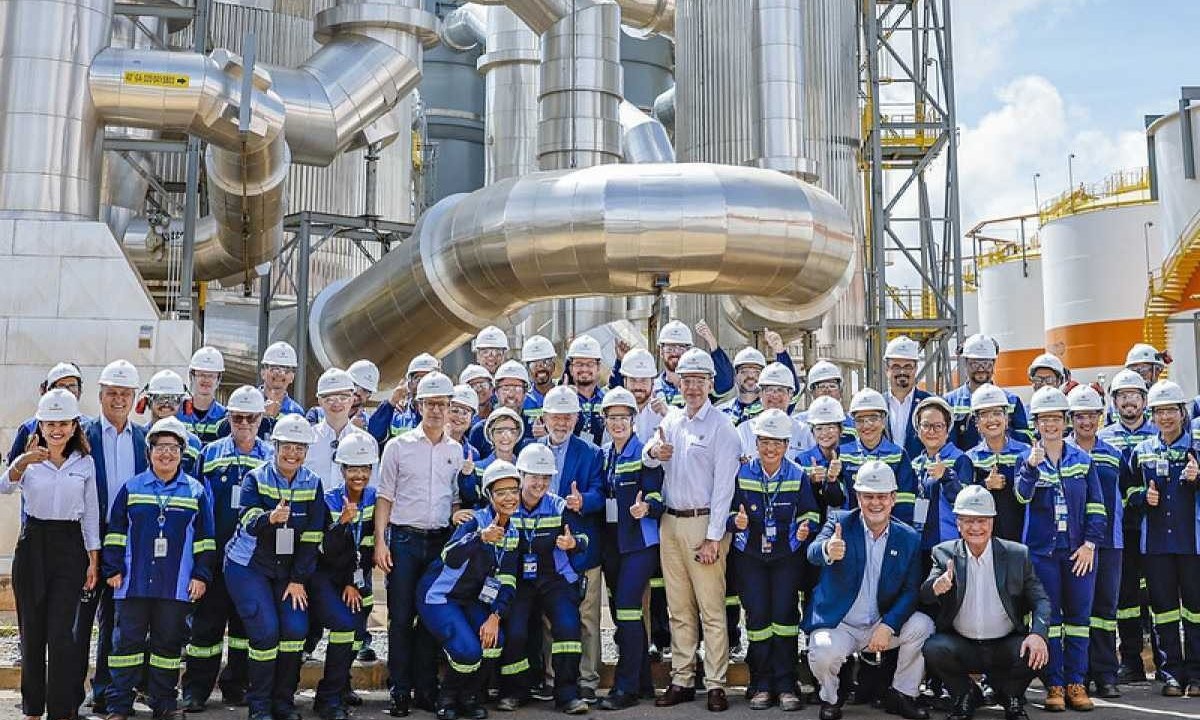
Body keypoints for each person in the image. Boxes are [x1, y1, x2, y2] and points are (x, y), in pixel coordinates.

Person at [643, 348, 740, 713]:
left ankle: (715, 683)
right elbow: (647, 456)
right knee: (678, 608)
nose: (693, 387)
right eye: (687, 380)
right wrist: (654, 451)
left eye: (700, 380)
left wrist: (715, 537)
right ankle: (682, 678)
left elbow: (723, 490)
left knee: (711, 609)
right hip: (670, 522)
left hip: (704, 523)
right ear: (678, 383)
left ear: (711, 384)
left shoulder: (722, 428)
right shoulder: (673, 421)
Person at [102, 417, 216, 720]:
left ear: (182, 452)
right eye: (160, 447)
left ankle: (163, 704)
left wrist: (201, 575)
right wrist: (111, 568)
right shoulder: (131, 488)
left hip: (176, 584)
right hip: (132, 582)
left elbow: (206, 540)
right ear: (149, 451)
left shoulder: (195, 492)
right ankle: (119, 706)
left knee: (168, 647)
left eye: (173, 448)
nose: (166, 454)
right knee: (126, 645)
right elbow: (115, 532)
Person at [805, 460, 933, 720]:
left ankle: (902, 694)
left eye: (882, 496)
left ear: (893, 498)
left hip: (880, 624)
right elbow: (812, 552)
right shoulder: (840, 521)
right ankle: (831, 697)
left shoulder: (908, 537)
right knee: (822, 651)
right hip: (842, 623)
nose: (875, 503)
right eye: (868, 496)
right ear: (857, 497)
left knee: (923, 626)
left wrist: (889, 625)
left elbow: (910, 591)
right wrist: (828, 549)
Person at [2, 389, 100, 720]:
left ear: (74, 426)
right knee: (32, 631)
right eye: (49, 423)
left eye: (63, 423)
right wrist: (21, 463)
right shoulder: (29, 459)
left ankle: (61, 709)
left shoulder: (84, 462)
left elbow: (90, 512)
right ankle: (32, 709)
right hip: (33, 544)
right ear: (40, 426)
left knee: (62, 634)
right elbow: (4, 486)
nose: (56, 430)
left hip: (70, 546)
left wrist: (93, 559)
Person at [224, 414, 326, 720]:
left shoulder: (313, 483)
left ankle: (283, 702)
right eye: (287, 447)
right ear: (275, 445)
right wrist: (270, 518)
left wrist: (298, 580)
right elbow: (247, 519)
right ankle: (259, 705)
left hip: (287, 572)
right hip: (248, 566)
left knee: (295, 630)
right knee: (266, 632)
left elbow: (311, 537)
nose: (293, 454)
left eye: (300, 448)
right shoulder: (256, 478)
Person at [920, 485, 1052, 720]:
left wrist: (1038, 633)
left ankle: (1011, 697)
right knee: (934, 648)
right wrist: (936, 587)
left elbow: (1040, 599)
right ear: (958, 523)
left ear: (992, 522)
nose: (976, 528)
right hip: (963, 644)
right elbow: (925, 595)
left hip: (1005, 644)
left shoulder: (1016, 554)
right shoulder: (943, 553)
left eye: (982, 521)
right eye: (968, 521)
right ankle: (965, 695)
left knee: (1035, 650)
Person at [375, 372, 464, 717]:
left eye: (443, 404)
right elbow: (384, 498)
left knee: (430, 618)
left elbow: (455, 501)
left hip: (439, 542)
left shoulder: (456, 451)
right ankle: (399, 689)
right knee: (400, 618)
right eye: (431, 404)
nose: (437, 411)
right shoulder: (398, 447)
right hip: (404, 541)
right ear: (419, 405)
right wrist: (381, 543)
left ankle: (426, 689)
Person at [1014, 386, 1105, 711]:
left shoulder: (1082, 460)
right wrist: (1030, 467)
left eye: (1055, 418)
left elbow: (1097, 505)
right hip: (1043, 554)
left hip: (1078, 552)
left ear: (1064, 421)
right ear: (1035, 423)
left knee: (1079, 618)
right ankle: (1054, 684)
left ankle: (1076, 683)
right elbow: (1021, 497)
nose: (1050, 424)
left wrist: (1090, 545)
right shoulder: (1028, 459)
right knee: (1048, 619)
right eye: (1044, 419)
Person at [182, 387, 272, 711]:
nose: (244, 423)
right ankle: (196, 690)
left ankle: (236, 685)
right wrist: (200, 561)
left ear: (261, 419)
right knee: (205, 626)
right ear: (228, 417)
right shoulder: (210, 454)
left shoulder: (270, 457)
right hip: (216, 555)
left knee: (243, 627)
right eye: (237, 417)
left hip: (251, 560)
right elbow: (197, 506)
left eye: (251, 417)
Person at [729, 409, 820, 712]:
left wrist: (807, 526)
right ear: (756, 443)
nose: (770, 449)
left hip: (786, 557)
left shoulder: (797, 474)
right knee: (757, 620)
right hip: (750, 556)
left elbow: (811, 512)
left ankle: (786, 683)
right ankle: (760, 683)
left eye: (777, 443)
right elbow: (728, 511)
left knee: (784, 619)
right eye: (765, 442)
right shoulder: (741, 474)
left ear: (786, 444)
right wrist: (735, 522)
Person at [418, 461, 522, 720]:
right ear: (489, 495)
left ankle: (469, 697)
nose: (509, 497)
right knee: (467, 651)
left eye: (513, 490)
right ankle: (447, 698)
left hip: (470, 599)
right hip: (438, 597)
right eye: (501, 492)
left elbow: (507, 580)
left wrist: (496, 616)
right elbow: (449, 556)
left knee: (494, 641)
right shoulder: (475, 521)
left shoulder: (515, 531)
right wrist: (480, 538)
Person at [496, 445, 589, 715]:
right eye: (535, 476)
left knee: (568, 628)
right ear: (521, 475)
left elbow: (584, 539)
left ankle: (567, 695)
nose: (540, 483)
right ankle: (515, 691)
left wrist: (572, 543)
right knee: (515, 632)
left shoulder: (560, 506)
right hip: (519, 581)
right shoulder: (507, 506)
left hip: (553, 579)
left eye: (546, 477)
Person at [80, 359, 146, 714]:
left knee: (116, 621)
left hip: (129, 543)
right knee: (80, 620)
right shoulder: (84, 436)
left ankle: (104, 689)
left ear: (134, 397)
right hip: (90, 539)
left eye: (124, 393)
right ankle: (69, 690)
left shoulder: (142, 439)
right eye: (112, 393)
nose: (118, 400)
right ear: (100, 395)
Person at [1129, 380, 1200, 698]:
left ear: (1182, 413)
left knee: (1196, 611)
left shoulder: (1195, 451)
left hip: (1191, 544)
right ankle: (1172, 674)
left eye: (1171, 410)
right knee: (1164, 611)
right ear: (1152, 414)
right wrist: (1144, 496)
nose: (1165, 417)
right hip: (1156, 545)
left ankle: (1197, 675)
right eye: (1159, 411)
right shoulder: (1141, 452)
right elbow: (1126, 493)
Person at [595, 388, 664, 711]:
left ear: (634, 420)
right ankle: (644, 682)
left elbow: (658, 497)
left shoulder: (644, 453)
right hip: (613, 544)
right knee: (627, 613)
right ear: (605, 421)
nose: (618, 423)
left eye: (624, 417)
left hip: (638, 544)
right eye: (613, 417)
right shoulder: (605, 453)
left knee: (625, 610)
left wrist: (646, 509)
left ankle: (625, 688)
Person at [538, 385, 605, 702]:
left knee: (588, 619)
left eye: (568, 416)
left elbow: (600, 494)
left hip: (582, 549)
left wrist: (583, 501)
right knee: (550, 619)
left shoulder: (590, 453)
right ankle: (553, 677)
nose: (562, 422)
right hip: (546, 552)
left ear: (577, 418)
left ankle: (588, 678)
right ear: (544, 417)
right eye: (556, 416)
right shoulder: (533, 451)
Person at [309, 433, 379, 720]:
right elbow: (325, 550)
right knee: (344, 625)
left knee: (358, 628)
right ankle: (327, 698)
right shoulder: (328, 500)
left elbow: (367, 543)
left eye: (365, 469)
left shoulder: (374, 499)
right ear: (342, 470)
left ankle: (341, 686)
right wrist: (341, 524)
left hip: (355, 576)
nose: (359, 475)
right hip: (325, 576)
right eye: (352, 468)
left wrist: (353, 581)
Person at [1097, 369, 1159, 683]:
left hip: (1157, 527)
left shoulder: (1157, 433)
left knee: (1160, 597)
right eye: (1122, 395)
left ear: (1145, 400)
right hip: (1120, 531)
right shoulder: (1104, 438)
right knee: (1126, 599)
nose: (1128, 401)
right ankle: (1131, 661)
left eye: (1134, 395)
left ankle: (1164, 663)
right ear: (1114, 402)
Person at [1064, 385, 1126, 699]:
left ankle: (1104, 674)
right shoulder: (1060, 451)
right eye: (1080, 416)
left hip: (1109, 543)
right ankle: (1077, 674)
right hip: (1074, 544)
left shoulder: (1113, 455)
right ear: (1070, 418)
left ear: (1101, 416)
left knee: (1104, 610)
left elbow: (1126, 496)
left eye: (1092, 415)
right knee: (1076, 610)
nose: (1086, 421)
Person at [609, 321, 736, 406]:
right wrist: (622, 362)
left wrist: (713, 344)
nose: (675, 353)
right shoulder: (652, 386)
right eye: (669, 348)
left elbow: (725, 383)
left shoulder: (698, 387)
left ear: (689, 351)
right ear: (660, 352)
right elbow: (617, 393)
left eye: (680, 348)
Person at [964, 384, 1031, 543]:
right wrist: (984, 485)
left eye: (997, 413)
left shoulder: (1025, 453)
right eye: (985, 414)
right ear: (977, 423)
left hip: (1021, 538)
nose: (992, 420)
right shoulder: (970, 458)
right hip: (982, 541)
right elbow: (963, 499)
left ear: (1006, 419)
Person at [839, 388, 917, 524]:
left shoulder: (898, 455)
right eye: (860, 420)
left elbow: (905, 501)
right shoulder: (842, 454)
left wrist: (896, 531)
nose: (866, 425)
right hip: (852, 529)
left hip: (889, 529)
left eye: (873, 418)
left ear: (883, 420)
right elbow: (837, 499)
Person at [909, 397, 971, 569]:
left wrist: (946, 476)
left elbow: (963, 502)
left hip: (949, 543)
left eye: (938, 426)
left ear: (947, 429)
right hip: (919, 543)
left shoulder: (960, 459)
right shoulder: (915, 463)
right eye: (926, 425)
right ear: (918, 429)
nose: (932, 431)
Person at [944, 334, 1032, 450]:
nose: (981, 369)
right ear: (965, 363)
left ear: (993, 364)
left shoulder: (1011, 401)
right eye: (975, 364)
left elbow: (1024, 439)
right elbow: (946, 443)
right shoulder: (950, 402)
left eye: (986, 364)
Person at [304, 368, 376, 488]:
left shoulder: (368, 442)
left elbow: (373, 487)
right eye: (329, 398)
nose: (337, 404)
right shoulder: (306, 440)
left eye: (343, 397)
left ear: (352, 399)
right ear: (319, 401)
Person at [8, 361, 88, 463]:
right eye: (61, 386)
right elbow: (12, 471)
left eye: (72, 386)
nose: (67, 391)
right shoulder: (29, 428)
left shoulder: (89, 426)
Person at [736, 362, 813, 463]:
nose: (775, 395)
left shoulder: (803, 432)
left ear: (791, 394)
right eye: (769, 389)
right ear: (760, 394)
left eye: (781, 390)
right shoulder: (744, 431)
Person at [716, 332, 796, 427]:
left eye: (756, 372)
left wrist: (780, 352)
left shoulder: (773, 408)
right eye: (744, 371)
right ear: (736, 376)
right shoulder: (720, 413)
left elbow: (789, 385)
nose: (751, 376)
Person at [368, 353, 440, 446]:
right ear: (409, 384)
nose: (422, 385)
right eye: (418, 379)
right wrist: (390, 404)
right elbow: (373, 435)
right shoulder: (398, 412)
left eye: (428, 380)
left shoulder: (449, 413)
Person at [141, 370, 203, 476]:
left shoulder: (193, 443)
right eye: (160, 399)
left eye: (173, 399)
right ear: (148, 402)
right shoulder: (139, 437)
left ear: (183, 404)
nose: (166, 405)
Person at [469, 361, 535, 457]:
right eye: (505, 388)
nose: (511, 394)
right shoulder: (480, 431)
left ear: (525, 394)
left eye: (517, 388)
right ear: (496, 392)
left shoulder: (534, 428)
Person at [465, 408, 526, 510]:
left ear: (518, 434)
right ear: (491, 435)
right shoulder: (477, 468)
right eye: (499, 431)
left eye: (511, 431)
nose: (505, 436)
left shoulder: (524, 469)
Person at [883, 336, 931, 460]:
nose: (902, 372)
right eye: (896, 366)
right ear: (886, 369)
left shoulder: (930, 403)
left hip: (920, 475)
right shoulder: (878, 404)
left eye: (908, 366)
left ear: (915, 368)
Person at [797, 361, 856, 443]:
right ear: (811, 392)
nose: (827, 391)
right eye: (821, 386)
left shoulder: (854, 425)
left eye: (832, 386)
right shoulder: (798, 424)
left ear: (841, 391)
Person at [563, 335, 607, 446]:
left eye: (590, 364)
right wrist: (564, 400)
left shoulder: (607, 401)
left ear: (598, 368)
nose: (584, 369)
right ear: (571, 369)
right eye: (579, 364)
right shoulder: (561, 400)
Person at [178, 347, 227, 443]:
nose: (206, 380)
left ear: (218, 379)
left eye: (211, 376)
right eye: (201, 375)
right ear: (192, 376)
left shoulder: (224, 417)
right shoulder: (178, 413)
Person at [259, 342, 306, 419]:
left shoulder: (296, 412)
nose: (280, 374)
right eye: (274, 368)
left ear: (292, 377)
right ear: (263, 372)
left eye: (286, 369)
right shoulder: (248, 401)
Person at [521, 335, 558, 418]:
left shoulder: (564, 395)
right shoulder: (522, 399)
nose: (541, 367)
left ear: (553, 366)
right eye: (535, 364)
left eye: (546, 362)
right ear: (527, 370)